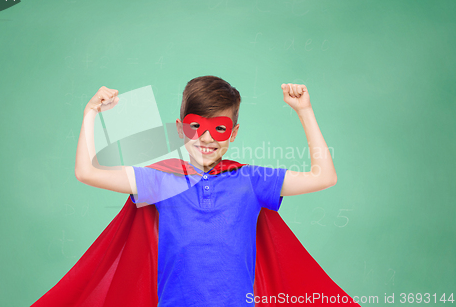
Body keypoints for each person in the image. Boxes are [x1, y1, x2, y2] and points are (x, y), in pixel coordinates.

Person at [31, 76, 359, 307]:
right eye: (195, 127)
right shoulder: (160, 180)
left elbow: (323, 176)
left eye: (219, 128)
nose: (206, 139)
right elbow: (86, 171)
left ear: (233, 135)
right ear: (179, 129)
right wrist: (90, 114)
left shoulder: (251, 180)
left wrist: (304, 111)